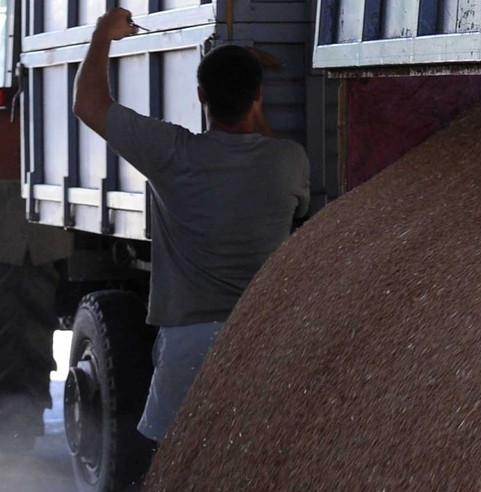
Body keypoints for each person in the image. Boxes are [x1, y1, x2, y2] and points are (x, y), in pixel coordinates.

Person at [73, 10, 310, 442]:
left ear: (200, 95)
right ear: (258, 95)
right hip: (263, 337)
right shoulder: (288, 161)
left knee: (174, 475)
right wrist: (250, 82)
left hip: (188, 344)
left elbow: (89, 105)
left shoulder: (172, 155)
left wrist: (103, 34)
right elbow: (267, 147)